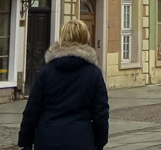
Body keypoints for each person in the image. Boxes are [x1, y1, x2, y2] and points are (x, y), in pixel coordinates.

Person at [19, 18, 109, 150]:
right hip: (81, 138)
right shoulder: (94, 73)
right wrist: (100, 142)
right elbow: (101, 113)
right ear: (86, 38)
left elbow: (32, 110)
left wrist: (25, 141)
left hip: (48, 137)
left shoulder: (47, 71)